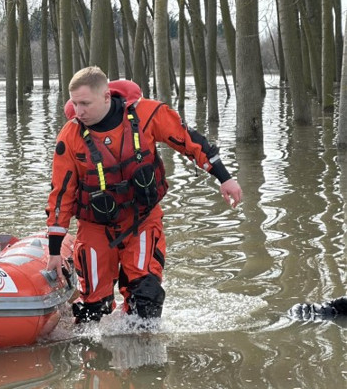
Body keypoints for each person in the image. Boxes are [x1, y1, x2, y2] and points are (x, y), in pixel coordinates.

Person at [45, 66, 243, 323]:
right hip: (95, 229)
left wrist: (225, 178)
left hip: (141, 221)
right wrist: (54, 251)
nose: (78, 111)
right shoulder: (70, 137)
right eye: (74, 104)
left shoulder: (147, 114)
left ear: (106, 96)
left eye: (85, 103)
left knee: (146, 298)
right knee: (94, 310)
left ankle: (143, 356)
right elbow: (61, 197)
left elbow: (190, 140)